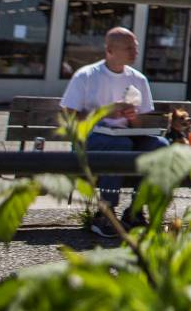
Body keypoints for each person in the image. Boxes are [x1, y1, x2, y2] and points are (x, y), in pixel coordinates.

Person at [59, 27, 168, 238]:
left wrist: (132, 116)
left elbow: (141, 123)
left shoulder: (138, 79)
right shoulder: (87, 76)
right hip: (90, 139)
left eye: (135, 47)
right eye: (129, 48)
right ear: (109, 50)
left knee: (160, 146)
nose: (135, 52)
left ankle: (135, 212)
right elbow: (68, 115)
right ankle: (104, 214)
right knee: (121, 146)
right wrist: (106, 111)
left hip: (125, 136)